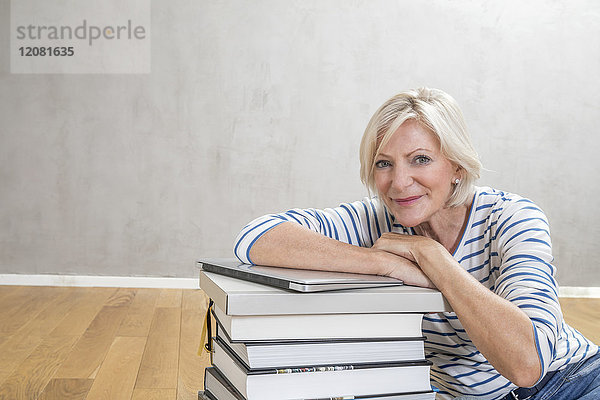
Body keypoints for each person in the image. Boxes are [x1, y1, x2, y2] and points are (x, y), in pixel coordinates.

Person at [233, 88, 600, 399]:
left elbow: (527, 365)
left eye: (420, 160)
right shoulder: (376, 221)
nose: (399, 182)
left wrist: (433, 258)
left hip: (572, 381)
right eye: (384, 164)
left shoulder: (512, 217)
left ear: (457, 167)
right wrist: (384, 264)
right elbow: (255, 237)